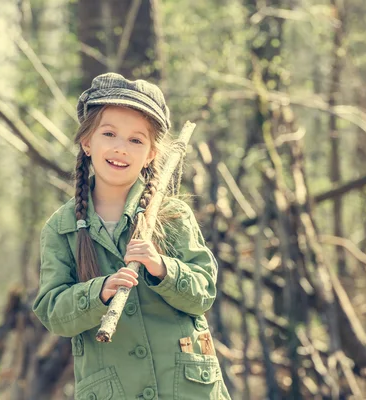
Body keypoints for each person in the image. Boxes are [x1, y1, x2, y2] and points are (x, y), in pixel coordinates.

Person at [32, 73, 231, 400]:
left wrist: (162, 268)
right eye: (109, 134)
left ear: (151, 154)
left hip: (184, 388)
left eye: (136, 140)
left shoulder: (172, 215)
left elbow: (204, 292)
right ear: (87, 142)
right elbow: (53, 312)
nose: (120, 148)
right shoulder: (61, 227)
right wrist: (98, 292)